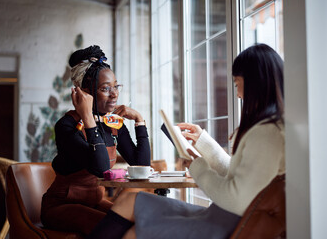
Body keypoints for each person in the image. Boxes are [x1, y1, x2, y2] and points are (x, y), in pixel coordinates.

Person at [87, 43, 285, 239]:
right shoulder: (267, 129)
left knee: (134, 232)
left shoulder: (266, 134)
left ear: (254, 83)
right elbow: (236, 173)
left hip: (229, 223)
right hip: (222, 214)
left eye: (236, 83)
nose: (238, 93)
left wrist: (197, 167)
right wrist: (203, 141)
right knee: (129, 199)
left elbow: (236, 198)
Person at [40, 45, 151, 236]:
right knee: (112, 228)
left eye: (116, 86)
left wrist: (140, 121)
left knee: (140, 222)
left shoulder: (113, 124)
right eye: (105, 89)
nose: (114, 94)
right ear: (85, 92)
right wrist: (89, 118)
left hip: (94, 202)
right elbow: (100, 166)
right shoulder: (66, 126)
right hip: (60, 206)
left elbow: (141, 164)